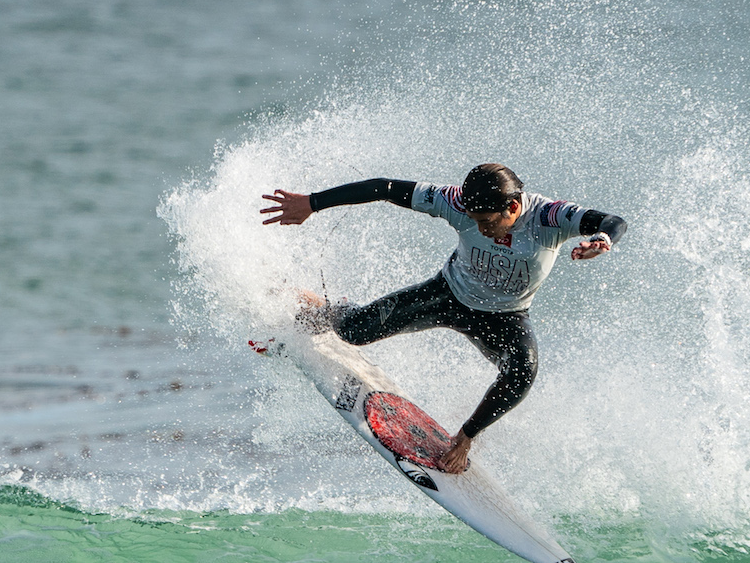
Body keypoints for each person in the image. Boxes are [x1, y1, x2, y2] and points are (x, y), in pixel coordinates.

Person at [260, 163, 628, 474]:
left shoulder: (550, 217)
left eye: (487, 222)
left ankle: (464, 439)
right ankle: (318, 306)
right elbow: (384, 188)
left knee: (522, 371)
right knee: (356, 329)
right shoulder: (457, 202)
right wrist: (312, 203)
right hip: (447, 295)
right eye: (473, 220)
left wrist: (603, 240)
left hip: (504, 317)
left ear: (513, 207)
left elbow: (613, 220)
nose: (481, 229)